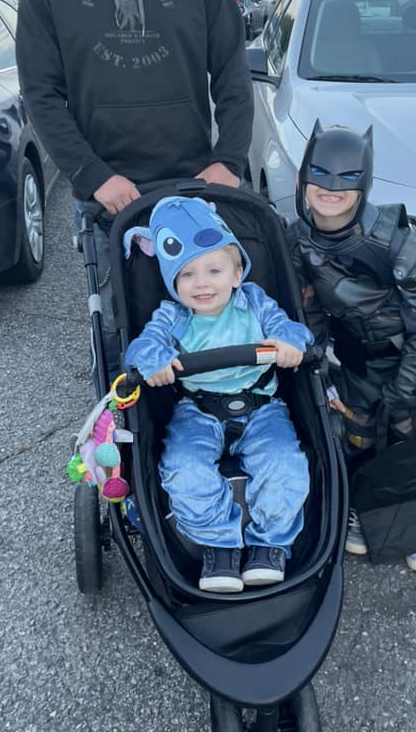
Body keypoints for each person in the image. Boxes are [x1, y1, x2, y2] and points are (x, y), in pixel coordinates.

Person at [15, 0, 253, 375]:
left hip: (195, 194)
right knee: (130, 348)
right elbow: (41, 94)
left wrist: (229, 161)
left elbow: (233, 73)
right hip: (109, 203)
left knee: (214, 340)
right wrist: (94, 176)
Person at [125, 196, 312, 593]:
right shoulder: (173, 315)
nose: (202, 283)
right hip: (199, 409)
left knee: (284, 463)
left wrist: (289, 343)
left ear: (237, 274)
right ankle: (219, 545)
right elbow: (143, 346)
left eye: (214, 270)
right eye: (187, 274)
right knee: (183, 468)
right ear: (173, 282)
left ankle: (269, 544)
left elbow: (289, 328)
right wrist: (155, 360)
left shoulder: (254, 302)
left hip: (262, 405)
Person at [286, 122, 416, 573]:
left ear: (364, 183)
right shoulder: (297, 238)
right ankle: (365, 507)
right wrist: (318, 366)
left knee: (411, 433)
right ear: (303, 179)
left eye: (345, 179)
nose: (330, 189)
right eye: (320, 176)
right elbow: (307, 307)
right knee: (357, 433)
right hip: (354, 358)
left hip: (408, 357)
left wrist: (407, 379)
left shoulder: (394, 240)